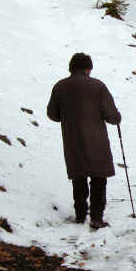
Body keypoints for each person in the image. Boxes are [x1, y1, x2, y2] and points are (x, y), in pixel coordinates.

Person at [47, 53, 122, 229]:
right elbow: (111, 117)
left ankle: (80, 215)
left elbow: (52, 114)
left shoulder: (60, 86)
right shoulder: (98, 87)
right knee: (98, 178)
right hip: (97, 141)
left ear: (71, 67)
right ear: (88, 68)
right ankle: (96, 217)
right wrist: (117, 117)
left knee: (78, 176)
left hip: (72, 139)